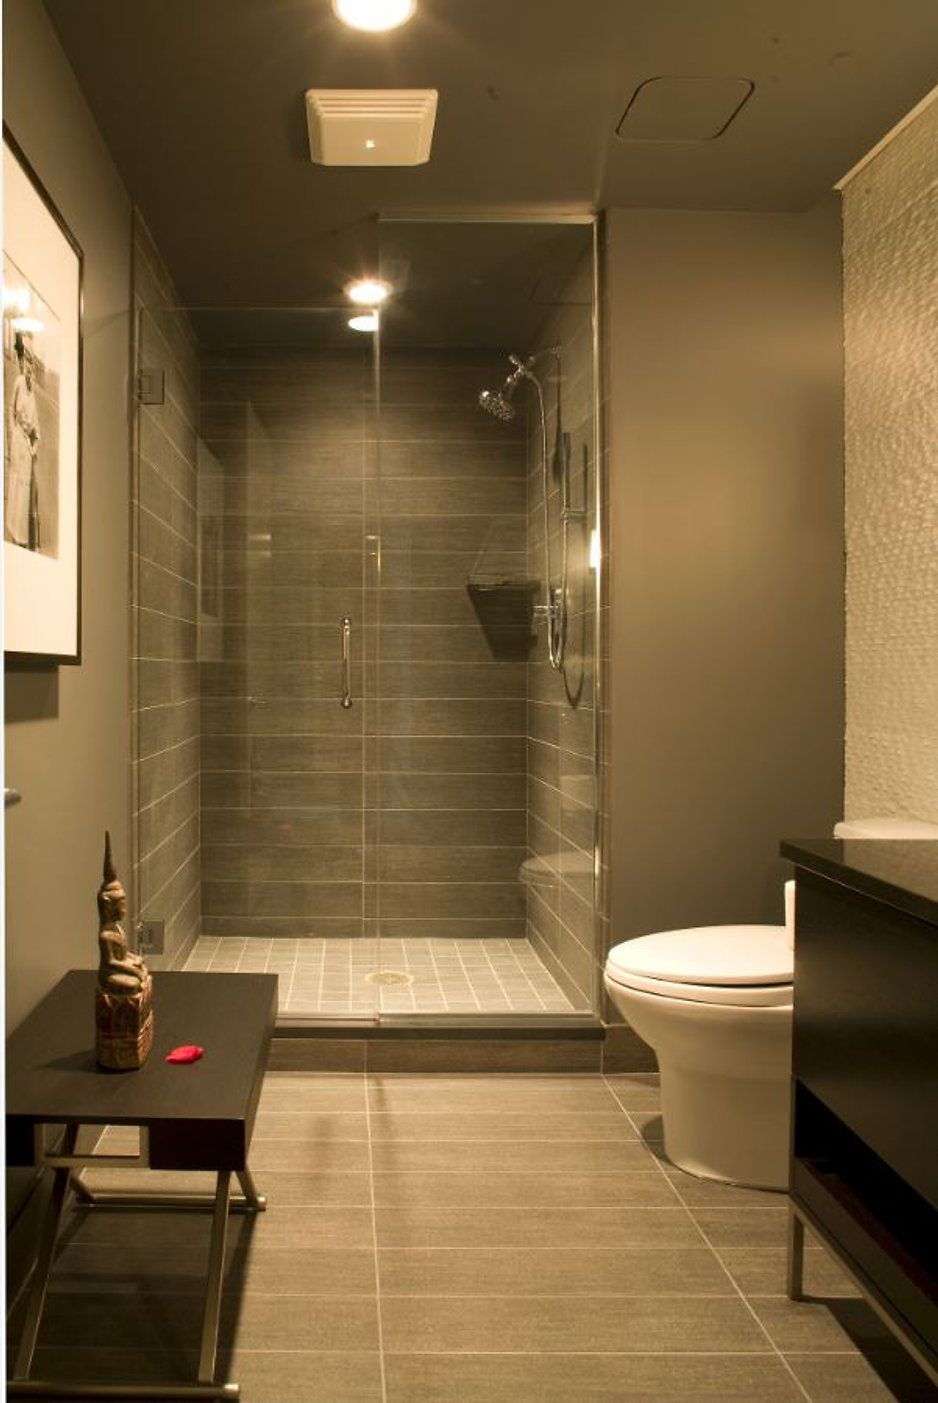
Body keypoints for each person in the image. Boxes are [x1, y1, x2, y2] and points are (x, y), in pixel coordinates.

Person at [5, 330, 41, 549]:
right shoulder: (18, 382)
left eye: (32, 363)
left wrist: (34, 446)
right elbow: (10, 409)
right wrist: (10, 437)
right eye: (27, 360)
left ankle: (21, 537)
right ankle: (11, 531)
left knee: (25, 490)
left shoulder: (33, 395)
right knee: (15, 485)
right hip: (17, 441)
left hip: (26, 448)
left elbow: (37, 429)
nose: (29, 367)